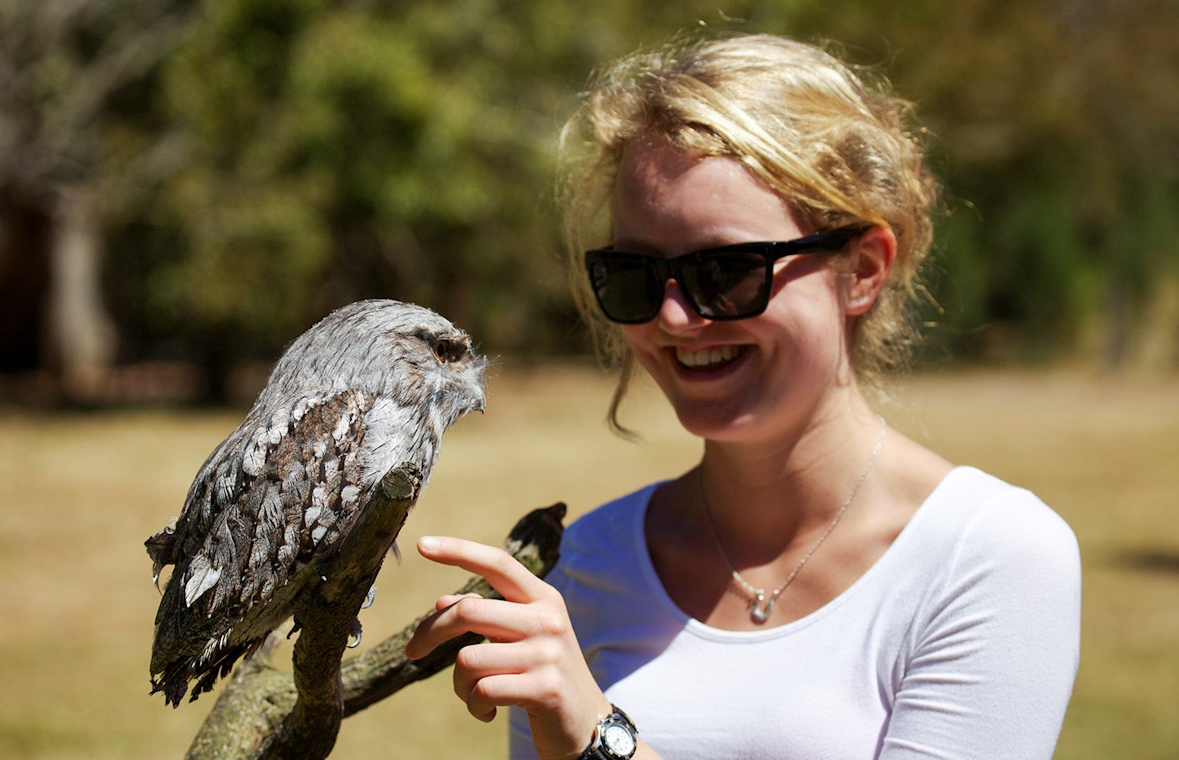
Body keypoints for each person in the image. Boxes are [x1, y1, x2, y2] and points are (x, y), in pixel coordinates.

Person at [405, 32, 1081, 759]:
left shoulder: (987, 557)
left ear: (863, 268)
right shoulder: (582, 569)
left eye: (725, 270)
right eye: (633, 274)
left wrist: (600, 740)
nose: (671, 318)